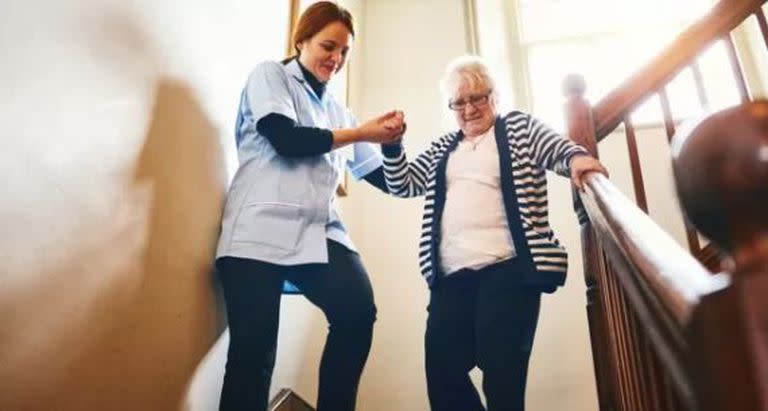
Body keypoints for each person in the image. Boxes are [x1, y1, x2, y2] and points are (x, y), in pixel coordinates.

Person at [380, 56, 607, 411]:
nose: (469, 108)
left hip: (508, 270)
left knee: (502, 379)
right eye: (459, 101)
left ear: (494, 96)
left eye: (478, 97)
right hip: (452, 276)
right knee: (443, 375)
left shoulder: (517, 127)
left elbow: (557, 148)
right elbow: (403, 183)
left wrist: (578, 159)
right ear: (451, 106)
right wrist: (392, 146)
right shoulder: (444, 147)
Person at [214, 2, 404, 411]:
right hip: (257, 231)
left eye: (344, 52)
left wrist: (392, 143)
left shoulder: (336, 108)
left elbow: (388, 179)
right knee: (254, 353)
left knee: (356, 311)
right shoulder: (271, 76)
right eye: (328, 46)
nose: (335, 59)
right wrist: (360, 132)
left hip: (316, 231)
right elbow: (287, 139)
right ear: (301, 40)